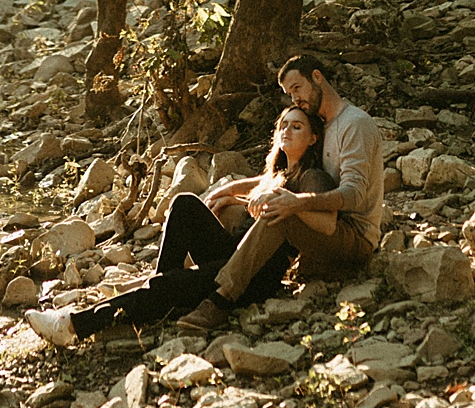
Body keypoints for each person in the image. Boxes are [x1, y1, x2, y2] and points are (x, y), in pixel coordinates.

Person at [24, 106, 334, 346]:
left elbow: (314, 220)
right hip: (232, 256)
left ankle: (72, 326)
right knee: (185, 203)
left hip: (252, 277)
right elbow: (253, 190)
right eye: (283, 126)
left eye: (297, 127)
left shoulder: (312, 178)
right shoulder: (278, 174)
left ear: (313, 138)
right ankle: (161, 287)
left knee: (168, 287)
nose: (287, 131)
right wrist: (228, 197)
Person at [174, 54, 383, 332]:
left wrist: (295, 203)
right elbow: (290, 175)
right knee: (231, 209)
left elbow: (354, 194)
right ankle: (188, 275)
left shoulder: (354, 124)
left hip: (352, 238)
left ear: (317, 78)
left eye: (297, 88)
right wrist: (231, 189)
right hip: (319, 225)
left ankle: (221, 300)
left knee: (279, 212)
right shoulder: (321, 124)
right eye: (288, 93)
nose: (294, 98)